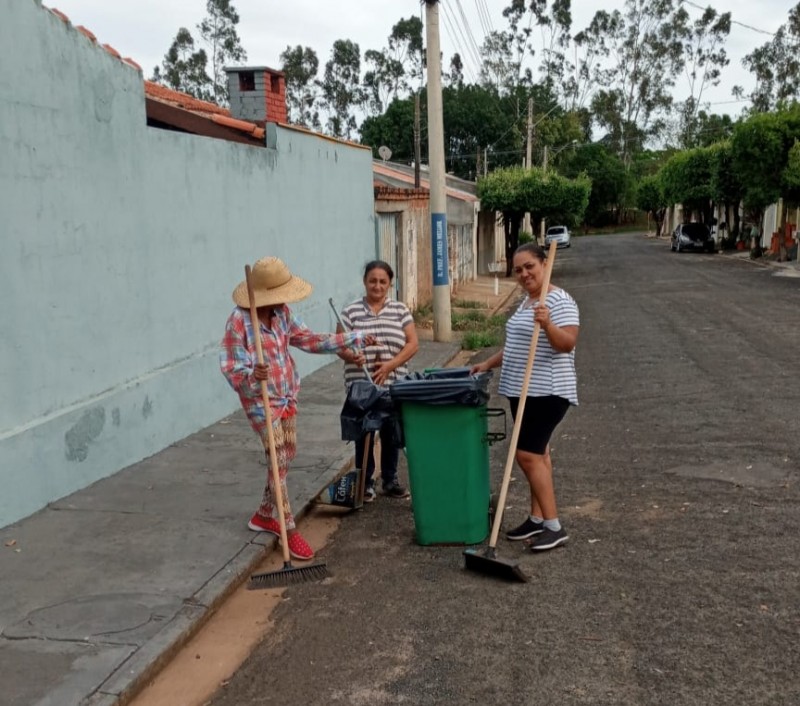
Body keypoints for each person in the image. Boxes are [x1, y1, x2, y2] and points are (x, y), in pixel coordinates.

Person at [220, 257, 375, 560]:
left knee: (288, 452)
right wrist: (253, 375)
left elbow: (310, 340)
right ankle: (286, 527)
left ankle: (265, 513)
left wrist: (351, 338)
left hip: (286, 393)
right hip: (260, 399)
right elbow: (230, 367)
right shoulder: (238, 321)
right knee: (277, 457)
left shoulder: (282, 314)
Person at [470, 243, 579, 551]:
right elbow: (518, 346)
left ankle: (554, 526)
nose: (524, 273)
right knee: (539, 453)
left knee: (527, 454)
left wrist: (547, 324)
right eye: (518, 269)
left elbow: (567, 343)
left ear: (544, 264)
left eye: (529, 266)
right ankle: (536, 518)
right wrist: (489, 362)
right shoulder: (527, 302)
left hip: (547, 391)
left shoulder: (558, 300)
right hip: (522, 390)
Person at [337, 260, 419, 501]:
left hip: (393, 382)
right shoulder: (350, 311)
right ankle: (365, 481)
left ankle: (390, 480)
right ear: (365, 282)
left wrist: (390, 365)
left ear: (390, 284)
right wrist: (352, 355)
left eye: (383, 281)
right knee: (364, 433)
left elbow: (413, 343)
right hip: (360, 385)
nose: (377, 285)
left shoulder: (400, 310)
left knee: (391, 431)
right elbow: (339, 345)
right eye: (372, 280)